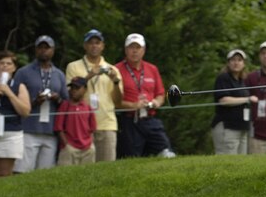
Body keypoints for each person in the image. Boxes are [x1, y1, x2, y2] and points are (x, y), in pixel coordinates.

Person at [65, 29, 124, 162]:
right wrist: (89, 75)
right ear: (85, 46)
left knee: (107, 169)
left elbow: (118, 102)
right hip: (82, 126)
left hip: (107, 124)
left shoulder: (113, 69)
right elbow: (73, 95)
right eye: (90, 43)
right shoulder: (73, 67)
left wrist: (115, 81)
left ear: (102, 46)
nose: (94, 46)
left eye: (97, 43)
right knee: (83, 171)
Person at [115, 33, 175, 158]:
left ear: (144, 50)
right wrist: (133, 105)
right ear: (126, 50)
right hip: (129, 120)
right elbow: (114, 100)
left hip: (150, 118)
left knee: (167, 153)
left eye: (138, 47)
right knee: (132, 158)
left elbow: (160, 94)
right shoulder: (117, 70)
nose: (135, 51)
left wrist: (156, 102)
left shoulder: (152, 69)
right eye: (131, 47)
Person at [13, 35, 68, 172]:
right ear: (35, 50)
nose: (43, 51)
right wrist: (34, 101)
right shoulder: (23, 72)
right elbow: (14, 100)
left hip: (50, 131)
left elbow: (66, 103)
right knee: (23, 172)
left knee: (45, 175)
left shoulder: (59, 74)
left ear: (53, 50)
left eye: (47, 48)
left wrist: (57, 99)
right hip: (29, 129)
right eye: (40, 47)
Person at [211, 48, 257, 155]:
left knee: (240, 164)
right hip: (227, 127)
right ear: (228, 63)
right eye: (233, 60)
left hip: (241, 128)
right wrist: (247, 99)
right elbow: (223, 100)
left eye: (239, 60)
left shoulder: (242, 81)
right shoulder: (223, 78)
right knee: (227, 162)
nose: (236, 63)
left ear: (244, 64)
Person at [54, 77, 97, 166]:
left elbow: (92, 129)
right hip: (69, 147)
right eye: (72, 88)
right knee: (65, 175)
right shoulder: (65, 106)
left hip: (87, 148)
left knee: (86, 174)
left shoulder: (87, 107)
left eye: (77, 88)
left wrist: (90, 144)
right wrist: (66, 145)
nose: (73, 90)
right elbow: (59, 128)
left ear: (85, 89)